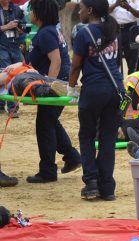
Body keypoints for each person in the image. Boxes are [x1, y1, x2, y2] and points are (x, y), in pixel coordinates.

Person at [68, 0, 123, 201]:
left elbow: (75, 66)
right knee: (108, 139)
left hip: (94, 90)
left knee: (87, 135)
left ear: (89, 10)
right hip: (117, 90)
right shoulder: (113, 30)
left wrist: (71, 89)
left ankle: (91, 182)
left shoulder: (84, 33)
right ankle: (107, 188)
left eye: (81, 8)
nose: (79, 12)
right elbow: (116, 62)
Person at [26, 0, 82, 184]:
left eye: (31, 10)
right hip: (60, 82)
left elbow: (56, 61)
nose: (29, 13)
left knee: (44, 124)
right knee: (49, 121)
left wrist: (48, 87)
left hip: (56, 84)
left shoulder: (47, 33)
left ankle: (48, 170)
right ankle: (72, 157)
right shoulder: (49, 31)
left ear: (39, 13)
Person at [0, 0, 26, 115]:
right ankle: (1, 106)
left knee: (16, 76)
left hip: (16, 46)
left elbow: (25, 27)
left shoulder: (17, 9)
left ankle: (13, 108)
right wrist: (6, 26)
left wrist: (21, 28)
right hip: (1, 46)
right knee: (4, 75)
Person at [108, 0, 139, 73]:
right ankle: (117, 82)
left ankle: (131, 83)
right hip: (115, 29)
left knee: (132, 60)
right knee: (114, 59)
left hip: (131, 29)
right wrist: (115, 4)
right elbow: (104, 12)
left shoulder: (136, 1)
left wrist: (129, 8)